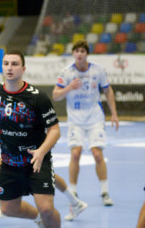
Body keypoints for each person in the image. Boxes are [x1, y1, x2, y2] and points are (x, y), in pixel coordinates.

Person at [0, 72, 87, 222]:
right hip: (14, 153)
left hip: (33, 147)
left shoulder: (20, 98)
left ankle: (73, 201)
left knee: (44, 173)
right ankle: (13, 198)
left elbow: (53, 128)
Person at [0, 50, 61, 228]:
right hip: (10, 163)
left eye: (15, 64)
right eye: (6, 63)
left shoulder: (37, 97)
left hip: (36, 161)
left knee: (47, 208)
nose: (10, 68)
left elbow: (55, 129)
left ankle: (46, 216)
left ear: (23, 68)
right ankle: (39, 219)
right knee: (8, 209)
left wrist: (41, 151)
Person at [52, 40, 119, 206]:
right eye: (76, 51)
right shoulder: (66, 72)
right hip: (75, 119)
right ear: (73, 54)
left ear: (86, 53)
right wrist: (69, 88)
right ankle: (73, 192)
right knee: (75, 154)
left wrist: (114, 114)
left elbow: (108, 91)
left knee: (97, 154)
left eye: (82, 51)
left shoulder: (98, 70)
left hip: (95, 118)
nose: (79, 54)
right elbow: (55, 95)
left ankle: (105, 192)